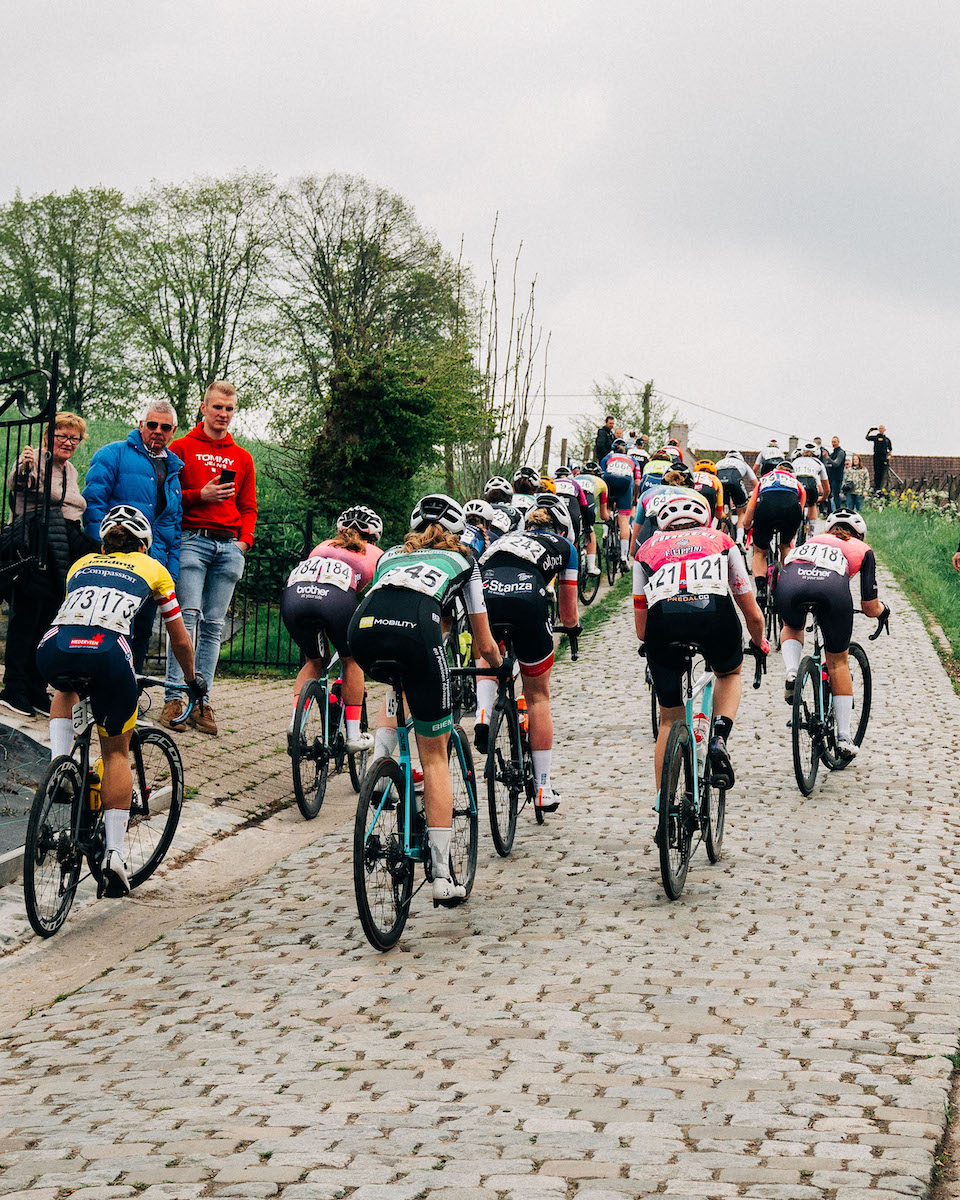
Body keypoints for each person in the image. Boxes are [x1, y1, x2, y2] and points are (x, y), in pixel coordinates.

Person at [36, 505, 206, 894]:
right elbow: (179, 638)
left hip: (53, 647)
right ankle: (114, 853)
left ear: (104, 542)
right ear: (143, 547)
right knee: (114, 752)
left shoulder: (80, 565)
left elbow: (78, 616)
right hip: (109, 652)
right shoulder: (155, 570)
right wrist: (192, 681)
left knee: (66, 686)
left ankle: (59, 768)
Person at [348, 494, 502, 904]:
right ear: (457, 531)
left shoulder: (390, 556)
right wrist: (499, 668)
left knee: (393, 684)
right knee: (434, 755)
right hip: (416, 632)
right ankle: (439, 874)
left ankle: (382, 772)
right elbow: (484, 641)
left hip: (361, 630)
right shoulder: (466, 560)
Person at [633, 492, 766, 794]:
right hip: (714, 619)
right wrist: (759, 643)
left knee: (668, 721)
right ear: (704, 519)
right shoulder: (720, 540)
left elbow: (641, 628)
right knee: (729, 672)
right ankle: (718, 736)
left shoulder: (646, 550)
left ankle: (665, 811)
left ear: (662, 523)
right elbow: (751, 612)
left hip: (663, 626)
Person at [160, 381, 257, 735]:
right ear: (204, 408)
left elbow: (248, 507)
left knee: (214, 626)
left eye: (229, 409)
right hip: (192, 541)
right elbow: (169, 498)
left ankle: (202, 701)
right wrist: (201, 494)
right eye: (218, 407)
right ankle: (174, 698)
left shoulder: (242, 457)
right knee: (184, 620)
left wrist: (243, 543)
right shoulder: (182, 447)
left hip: (229, 547)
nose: (224, 414)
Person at [474, 497, 581, 812]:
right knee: (537, 696)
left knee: (490, 651)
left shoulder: (502, 540)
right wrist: (572, 629)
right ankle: (543, 786)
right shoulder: (564, 546)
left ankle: (483, 714)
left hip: (487, 595)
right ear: (561, 527)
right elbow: (568, 613)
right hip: (527, 601)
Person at [0, 411, 95, 717]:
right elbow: (17, 483)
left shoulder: (69, 471)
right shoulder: (34, 459)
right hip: (33, 549)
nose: (68, 442)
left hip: (60, 551)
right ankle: (13, 688)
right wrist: (25, 467)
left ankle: (34, 687)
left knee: (47, 622)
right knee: (26, 618)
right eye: (62, 436)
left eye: (74, 438)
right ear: (47, 437)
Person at [774, 509, 888, 757]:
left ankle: (793, 671)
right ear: (860, 534)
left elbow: (787, 563)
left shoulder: (811, 541)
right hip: (831, 590)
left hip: (791, 583)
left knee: (792, 627)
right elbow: (869, 606)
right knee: (837, 662)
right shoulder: (862, 548)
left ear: (829, 530)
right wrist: (882, 612)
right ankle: (844, 738)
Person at [81, 401, 183, 672]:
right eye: (151, 425)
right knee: (107, 633)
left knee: (141, 637)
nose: (157, 431)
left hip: (152, 567)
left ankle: (130, 701)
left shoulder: (173, 470)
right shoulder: (112, 454)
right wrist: (101, 549)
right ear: (141, 425)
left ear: (173, 431)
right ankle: (97, 697)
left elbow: (173, 527)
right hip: (115, 564)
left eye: (164, 427)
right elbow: (93, 505)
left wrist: (170, 573)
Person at [281, 505, 382, 754]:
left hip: (294, 596)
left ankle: (296, 720)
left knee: (314, 662)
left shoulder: (323, 546)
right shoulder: (376, 552)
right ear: (373, 536)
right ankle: (354, 735)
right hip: (335, 600)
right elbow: (378, 596)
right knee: (351, 661)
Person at [741, 460, 805, 609]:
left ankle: (761, 589)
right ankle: (786, 584)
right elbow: (799, 513)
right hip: (791, 509)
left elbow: (750, 510)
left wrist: (746, 526)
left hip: (766, 508)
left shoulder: (764, 479)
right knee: (786, 547)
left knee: (759, 552)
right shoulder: (796, 482)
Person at [601, 438, 642, 563]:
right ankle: (624, 556)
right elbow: (637, 482)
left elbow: (601, 478)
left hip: (609, 480)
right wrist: (634, 499)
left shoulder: (607, 457)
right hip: (625, 482)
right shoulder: (632, 460)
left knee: (607, 508)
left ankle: (606, 532)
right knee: (624, 519)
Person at [792, 443, 830, 530]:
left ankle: (793, 533)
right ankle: (812, 532)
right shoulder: (819, 463)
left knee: (794, 505)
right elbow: (826, 488)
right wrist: (823, 498)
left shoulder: (795, 461)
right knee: (812, 504)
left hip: (797, 485)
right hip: (810, 486)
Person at [865, 426, 893, 492]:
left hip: (884, 457)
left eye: (882, 429)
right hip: (876, 456)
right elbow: (867, 438)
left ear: (884, 430)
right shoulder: (876, 437)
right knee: (877, 472)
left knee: (884, 472)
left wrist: (889, 456)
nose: (881, 430)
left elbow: (890, 449)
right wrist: (870, 431)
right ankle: (877, 487)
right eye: (879, 429)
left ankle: (883, 487)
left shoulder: (887, 439)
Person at [825, 437, 846, 513]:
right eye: (832, 442)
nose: (833, 443)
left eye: (835, 442)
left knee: (836, 495)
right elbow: (827, 464)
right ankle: (829, 513)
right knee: (829, 495)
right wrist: (830, 463)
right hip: (830, 477)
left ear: (838, 442)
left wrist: (827, 458)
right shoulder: (833, 453)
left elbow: (836, 464)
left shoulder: (841, 452)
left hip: (837, 477)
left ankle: (838, 512)